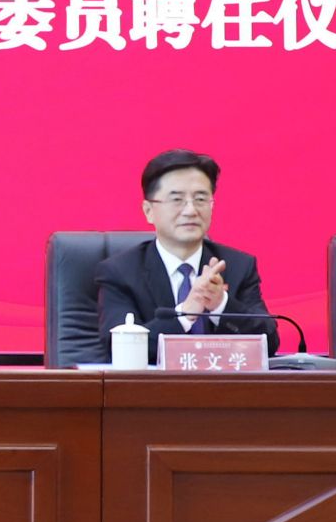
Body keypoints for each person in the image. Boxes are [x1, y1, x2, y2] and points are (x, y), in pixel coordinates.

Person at [94, 148, 280, 362]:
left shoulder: (238, 266)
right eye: (177, 200)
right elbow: (119, 348)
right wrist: (186, 313)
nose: (191, 210)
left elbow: (269, 343)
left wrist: (220, 304)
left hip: (221, 383)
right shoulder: (119, 272)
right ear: (148, 211)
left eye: (200, 199)